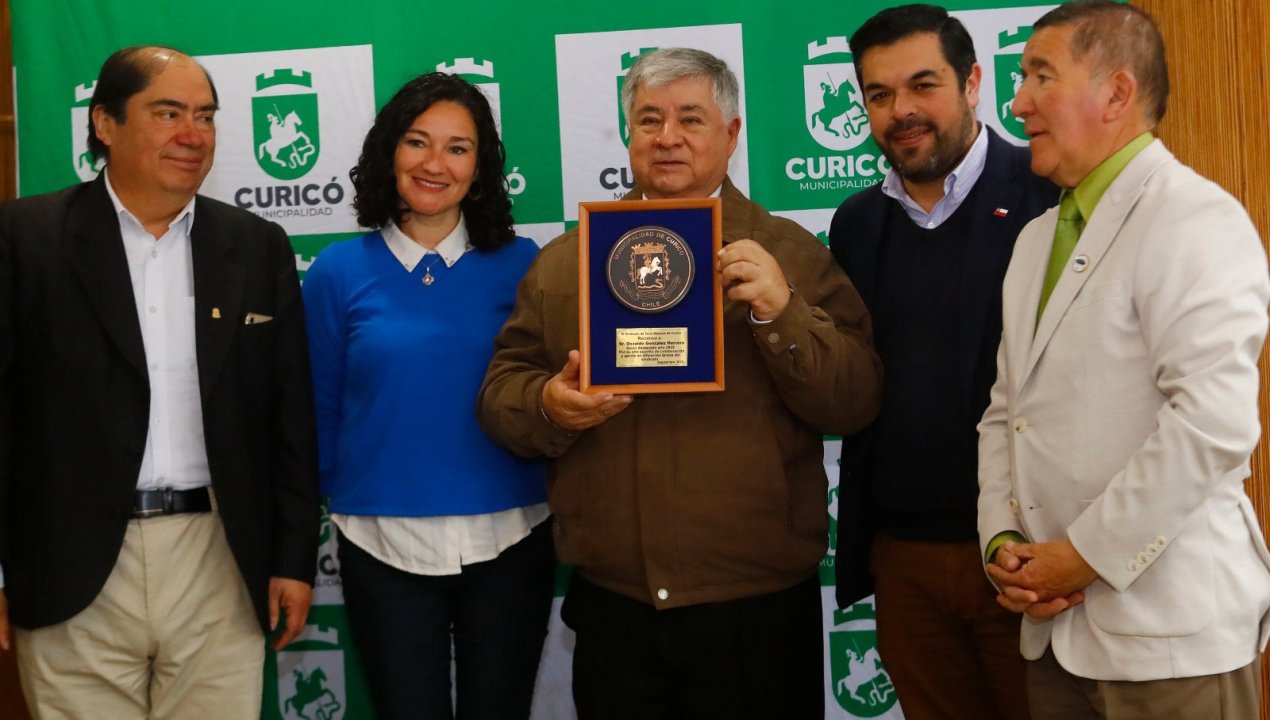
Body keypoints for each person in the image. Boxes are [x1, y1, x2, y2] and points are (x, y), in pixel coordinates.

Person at [478, 47, 882, 719]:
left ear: (731, 134)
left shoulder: (791, 255)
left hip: (755, 611)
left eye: (691, 119)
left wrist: (782, 313)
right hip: (615, 609)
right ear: (629, 135)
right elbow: (501, 395)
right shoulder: (567, 263)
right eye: (649, 120)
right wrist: (549, 405)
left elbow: (855, 400)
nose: (668, 137)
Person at [0, 45, 319, 718]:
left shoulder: (256, 245)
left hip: (219, 560)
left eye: (205, 116)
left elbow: (288, 416)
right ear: (104, 123)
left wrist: (293, 559)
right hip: (68, 562)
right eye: (168, 113)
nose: (192, 135)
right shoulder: (24, 238)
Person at [976, 3, 1270, 718]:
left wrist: (1083, 556)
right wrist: (1003, 543)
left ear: (1116, 93)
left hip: (1170, 639)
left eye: (1041, 76)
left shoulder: (1194, 218)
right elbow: (1006, 413)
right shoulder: (1035, 240)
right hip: (1055, 636)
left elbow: (1213, 423)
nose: (1018, 104)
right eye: (1021, 79)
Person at [301, 72, 552, 720]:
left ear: (481, 167)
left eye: (457, 148)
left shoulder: (526, 264)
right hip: (379, 544)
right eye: (417, 141)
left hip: (512, 538)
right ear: (389, 152)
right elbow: (321, 412)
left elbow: (544, 394)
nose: (435, 163)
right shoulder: (336, 272)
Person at [829, 6, 1056, 719]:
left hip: (1032, 557)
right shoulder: (856, 223)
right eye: (879, 94)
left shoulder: (1049, 195)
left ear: (972, 83)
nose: (901, 110)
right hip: (904, 560)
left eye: (922, 85)